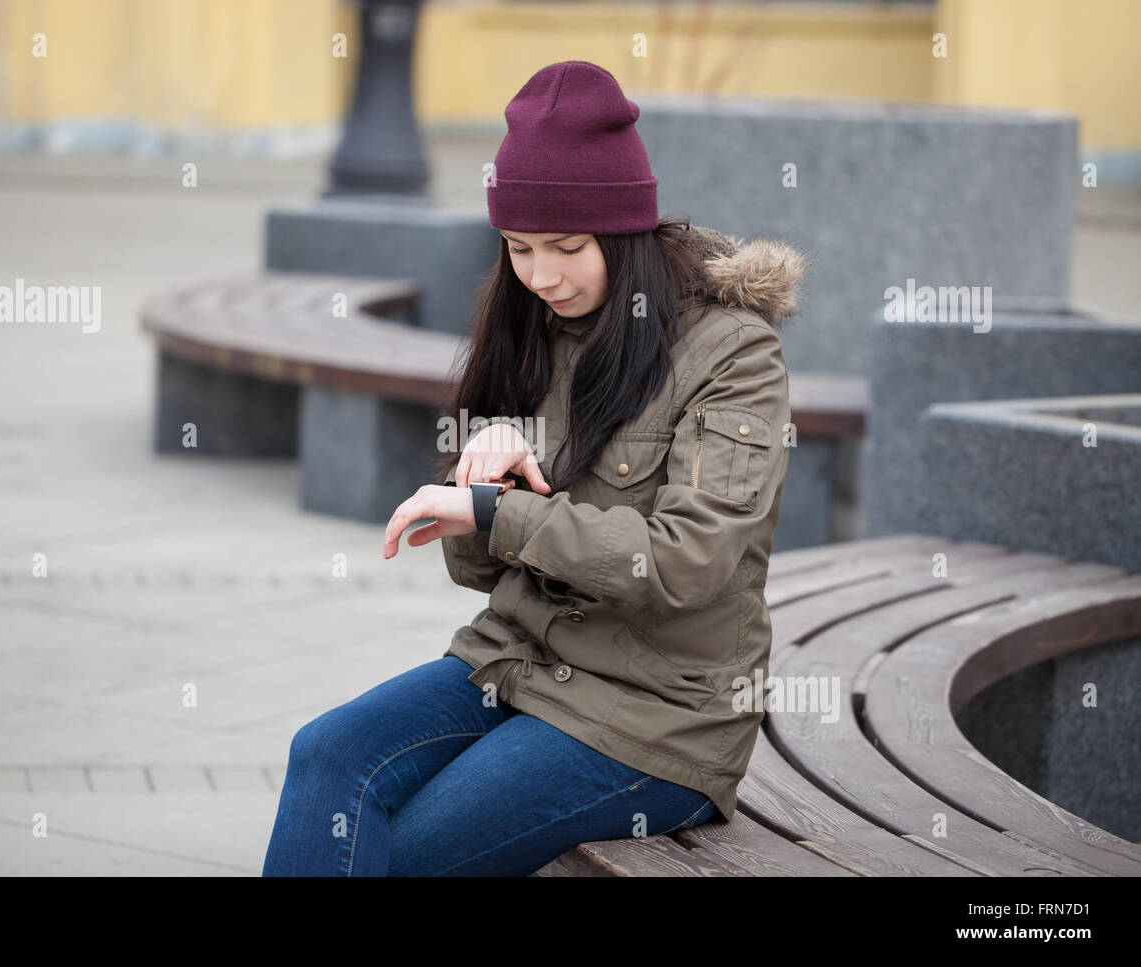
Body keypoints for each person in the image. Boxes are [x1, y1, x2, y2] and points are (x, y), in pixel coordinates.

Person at [262, 60, 808, 877]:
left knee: (403, 856)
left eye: (567, 247)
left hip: (658, 716)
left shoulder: (734, 355)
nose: (541, 274)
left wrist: (500, 512)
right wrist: (481, 489)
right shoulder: (531, 325)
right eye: (518, 247)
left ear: (624, 233)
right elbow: (474, 567)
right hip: (512, 661)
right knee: (327, 759)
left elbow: (684, 562)